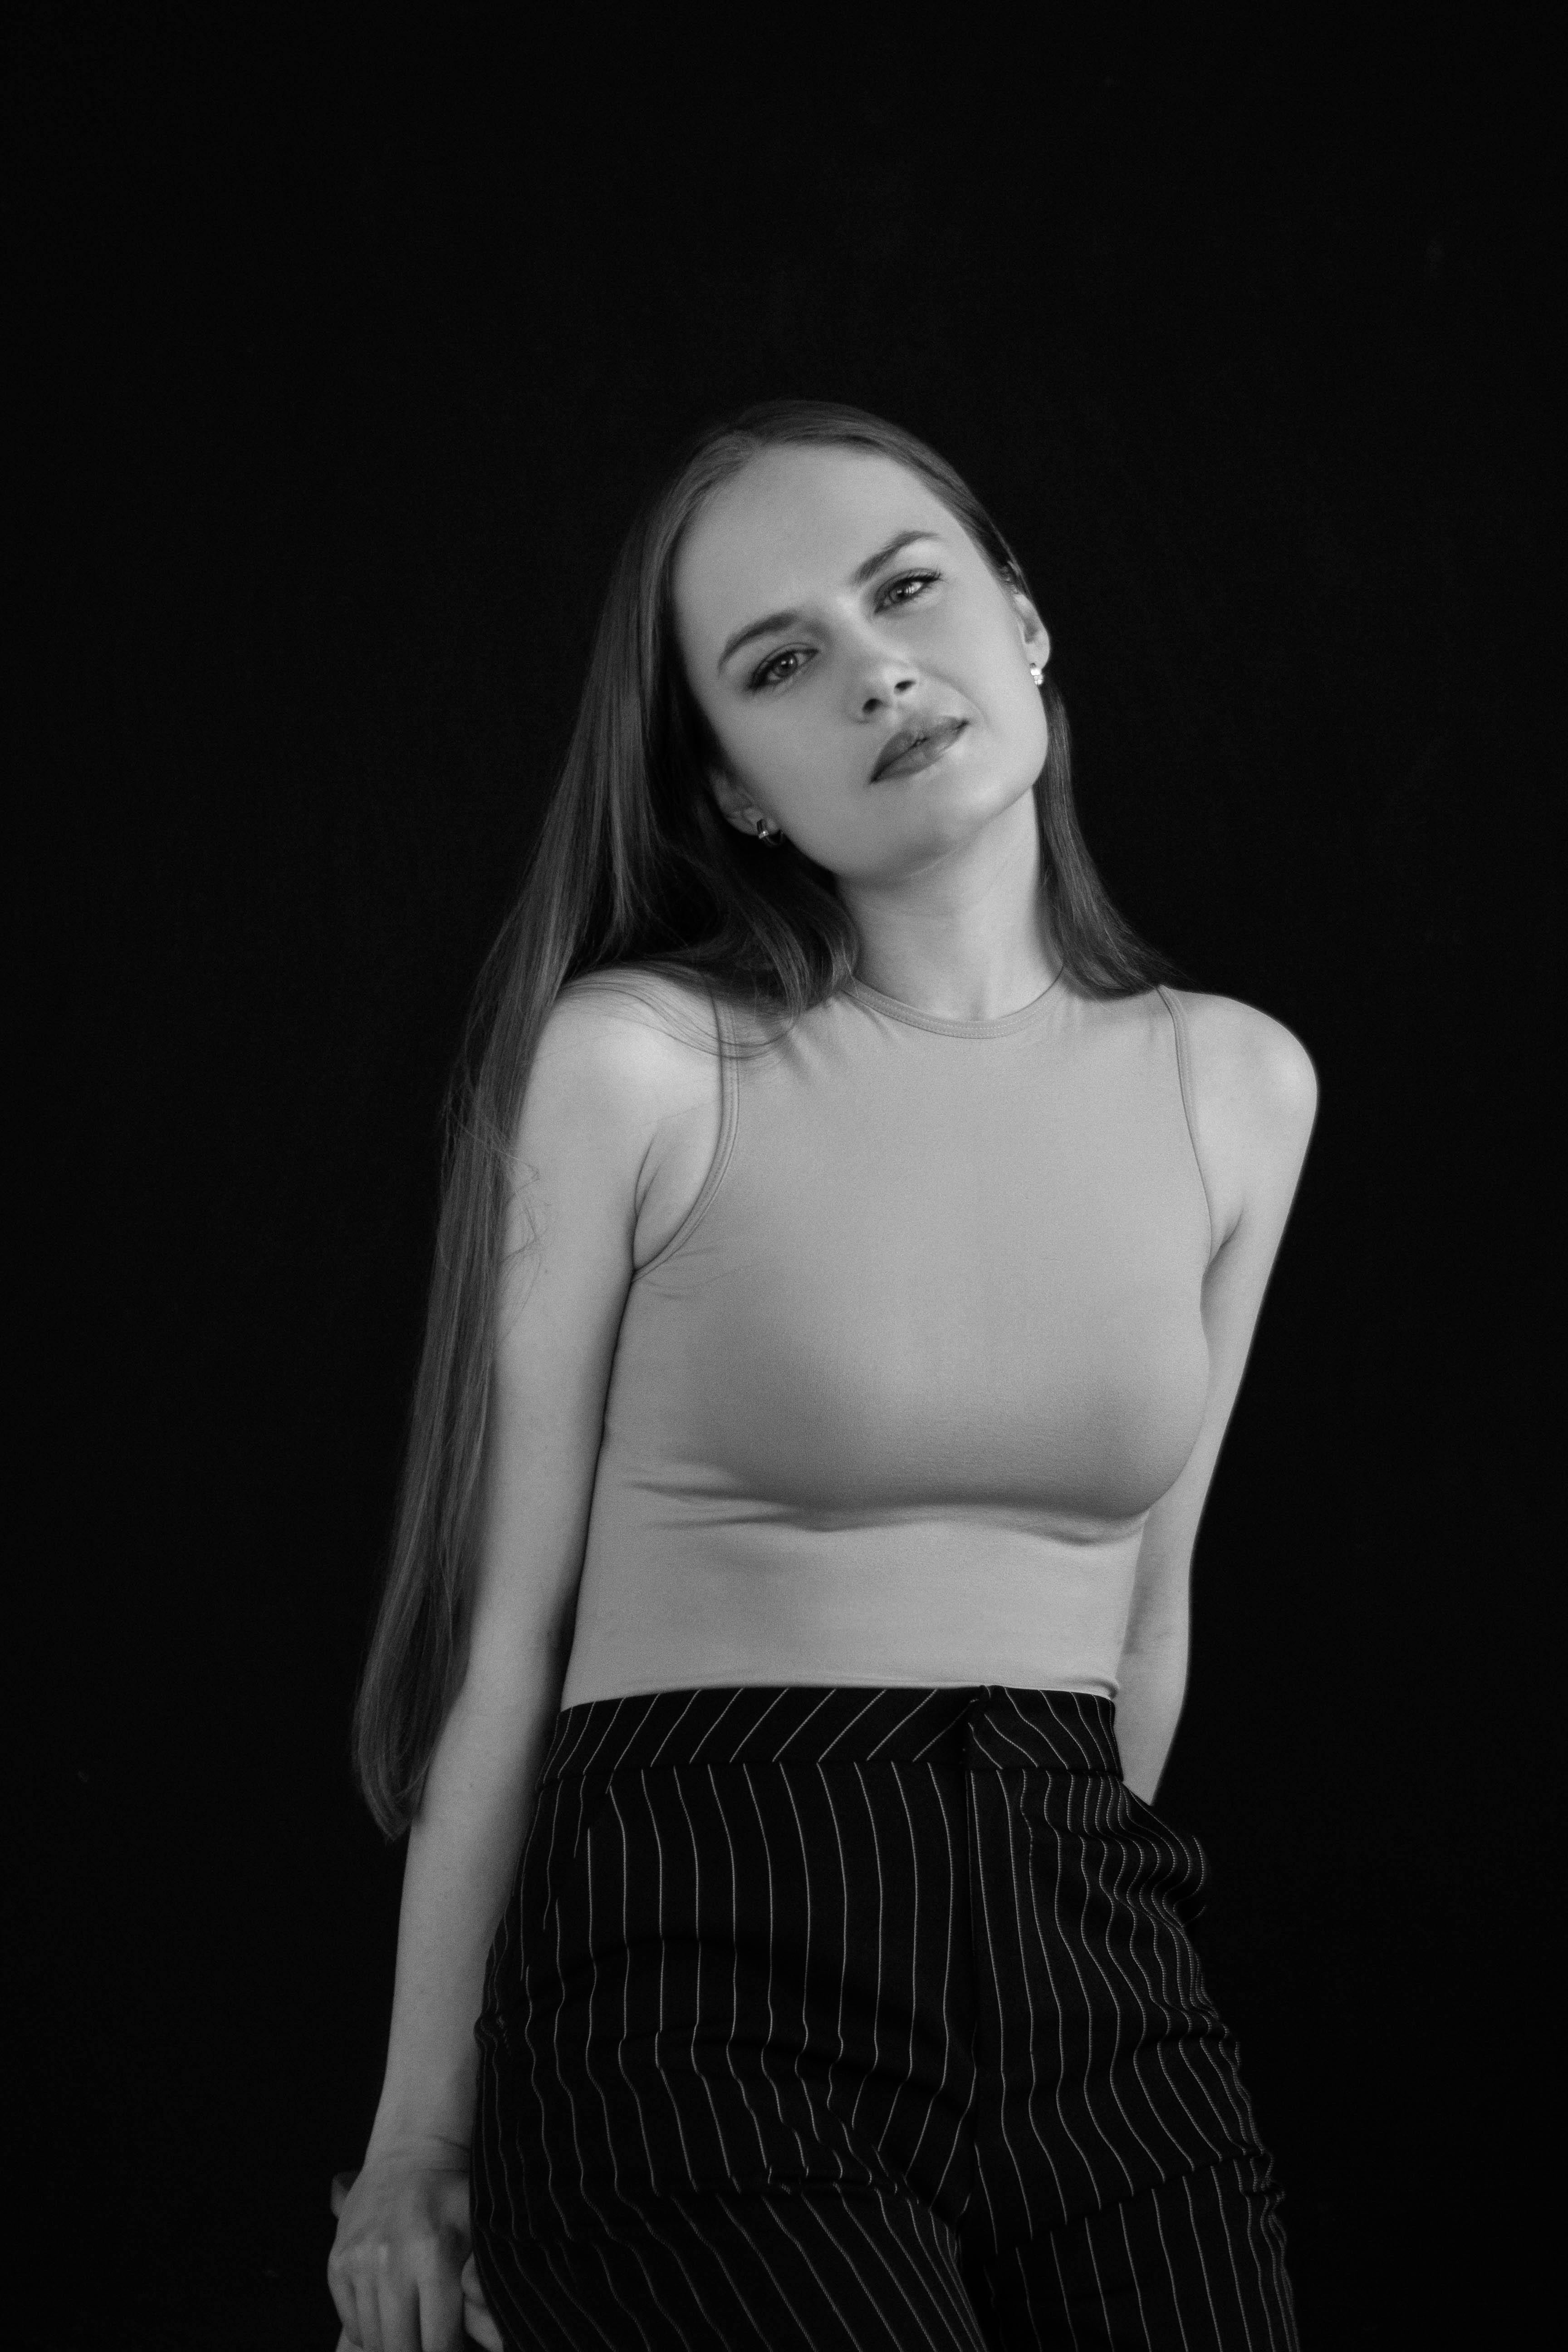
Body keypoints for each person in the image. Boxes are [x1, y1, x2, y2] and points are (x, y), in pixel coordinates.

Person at [327, 398, 1317, 2352]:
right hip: (698, 1958)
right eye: (782, 665)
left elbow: (1148, 1613)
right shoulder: (639, 1063)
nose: (875, 670)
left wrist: (1068, 1943)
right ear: (740, 794)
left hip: (1090, 1948)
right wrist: (418, 2148)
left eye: (909, 592)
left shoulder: (1240, 1085)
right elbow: (504, 1634)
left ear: (1023, 626)